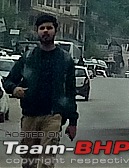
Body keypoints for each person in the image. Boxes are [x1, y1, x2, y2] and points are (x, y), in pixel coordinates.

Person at [3, 14, 79, 168]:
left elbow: (70, 93)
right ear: (37, 31)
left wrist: (73, 122)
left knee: (46, 161)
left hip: (53, 116)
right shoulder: (28, 58)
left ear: (55, 31)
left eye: (49, 28)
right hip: (30, 116)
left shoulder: (65, 60)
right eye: (42, 28)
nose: (46, 31)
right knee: (29, 162)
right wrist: (14, 89)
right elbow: (9, 81)